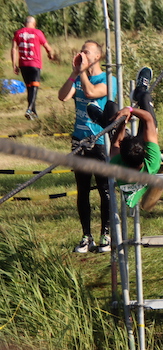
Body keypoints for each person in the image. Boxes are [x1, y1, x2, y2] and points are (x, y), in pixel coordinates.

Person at [57, 40, 117, 254]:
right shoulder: (78, 77)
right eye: (81, 50)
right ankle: (86, 236)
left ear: (97, 56)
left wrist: (82, 73)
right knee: (82, 191)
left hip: (100, 143)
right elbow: (63, 96)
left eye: (87, 51)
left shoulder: (109, 79)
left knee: (104, 190)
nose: (82, 53)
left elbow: (92, 93)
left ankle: (106, 235)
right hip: (79, 141)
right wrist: (74, 73)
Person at [106, 67, 162, 210]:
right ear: (144, 152)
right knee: (145, 98)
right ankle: (140, 90)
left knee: (111, 108)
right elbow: (148, 120)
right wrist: (130, 110)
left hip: (129, 163)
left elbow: (116, 142)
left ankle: (103, 121)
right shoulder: (152, 162)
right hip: (137, 156)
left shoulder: (117, 166)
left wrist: (122, 123)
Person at [11, 15, 56, 120]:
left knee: (29, 88)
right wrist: (51, 55)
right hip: (34, 64)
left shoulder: (18, 33)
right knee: (34, 87)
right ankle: (29, 108)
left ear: (24, 23)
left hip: (23, 64)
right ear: (34, 24)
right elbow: (47, 47)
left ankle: (33, 114)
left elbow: (14, 49)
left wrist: (14, 65)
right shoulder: (37, 32)